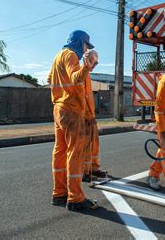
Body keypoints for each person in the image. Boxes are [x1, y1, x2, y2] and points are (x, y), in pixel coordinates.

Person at [48, 30, 99, 212]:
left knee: (60, 151)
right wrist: (86, 65)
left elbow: (49, 79)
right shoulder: (70, 56)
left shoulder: (58, 57)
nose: (86, 49)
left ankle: (59, 193)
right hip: (71, 110)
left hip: (58, 109)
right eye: (86, 45)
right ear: (80, 43)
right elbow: (76, 78)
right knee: (74, 153)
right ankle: (75, 198)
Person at [82, 50, 108, 182]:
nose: (95, 65)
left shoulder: (86, 75)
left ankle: (94, 168)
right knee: (86, 145)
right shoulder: (82, 74)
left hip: (89, 116)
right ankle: (85, 172)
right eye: (94, 62)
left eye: (96, 63)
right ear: (87, 60)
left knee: (94, 143)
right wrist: (88, 116)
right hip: (84, 117)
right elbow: (81, 99)